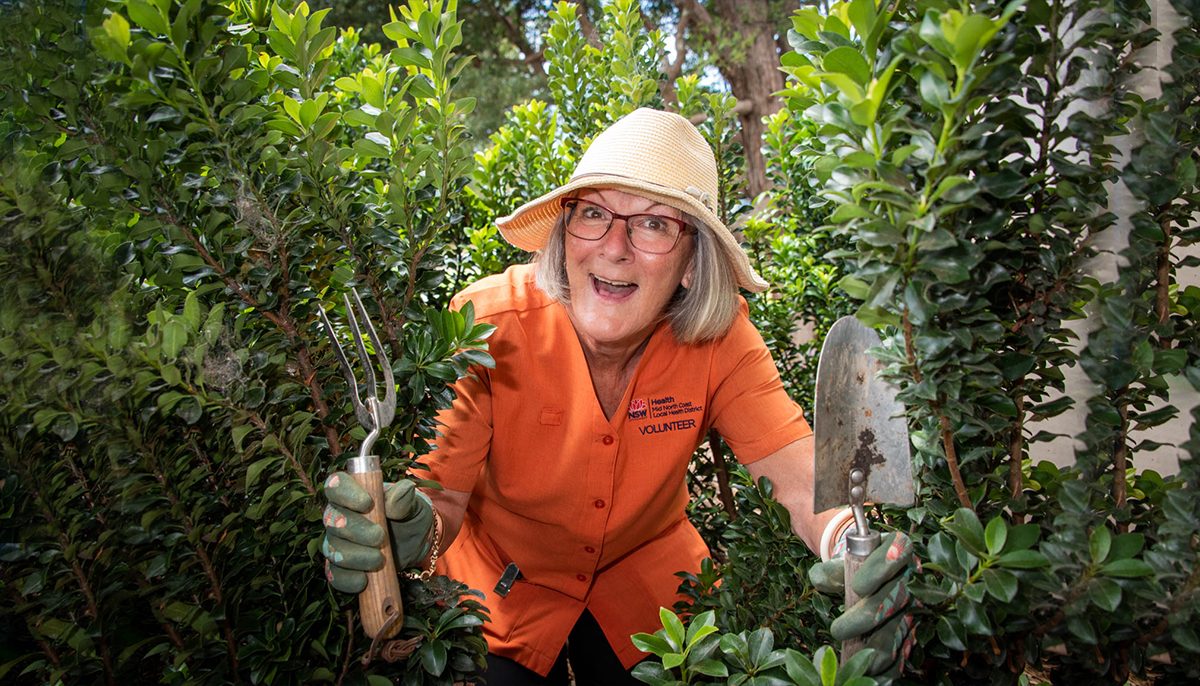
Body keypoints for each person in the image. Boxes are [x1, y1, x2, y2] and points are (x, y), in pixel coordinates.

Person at [321, 108, 913, 684]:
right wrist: (413, 535)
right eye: (594, 215)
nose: (614, 247)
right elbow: (442, 500)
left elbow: (797, 477)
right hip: (504, 583)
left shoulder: (722, 336)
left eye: (654, 223)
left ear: (690, 262)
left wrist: (854, 547)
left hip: (652, 581)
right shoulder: (485, 324)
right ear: (566, 229)